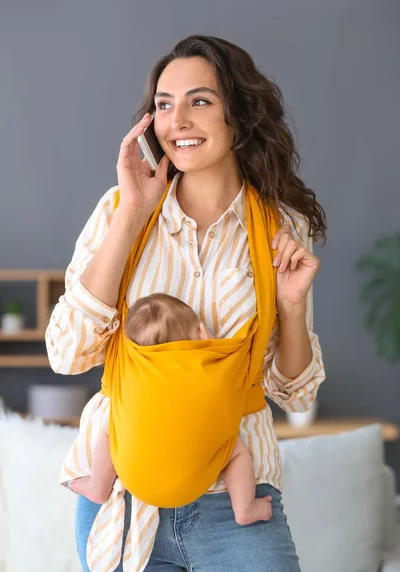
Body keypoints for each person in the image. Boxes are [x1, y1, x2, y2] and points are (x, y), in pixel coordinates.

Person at [46, 34, 327, 572]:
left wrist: (290, 307)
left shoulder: (282, 228)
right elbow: (67, 354)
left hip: (236, 497)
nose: (178, 121)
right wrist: (132, 212)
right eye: (164, 105)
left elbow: (293, 392)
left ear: (238, 116)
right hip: (122, 498)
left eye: (200, 101)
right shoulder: (117, 211)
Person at [69, 292, 273, 526]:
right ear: (201, 332)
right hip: (195, 483)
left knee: (109, 431)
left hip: (133, 478)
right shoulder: (220, 367)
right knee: (236, 450)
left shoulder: (131, 370)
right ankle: (245, 507)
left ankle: (98, 487)